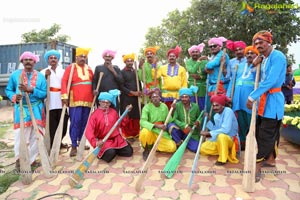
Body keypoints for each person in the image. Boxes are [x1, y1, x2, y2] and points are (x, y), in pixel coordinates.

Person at [247, 30, 286, 182]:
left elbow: (270, 81)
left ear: (269, 42)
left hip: (273, 101)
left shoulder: (278, 56)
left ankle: (257, 167)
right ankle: (270, 160)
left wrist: (252, 97)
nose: (258, 45)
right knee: (267, 132)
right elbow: (255, 72)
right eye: (255, 43)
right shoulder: (265, 57)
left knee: (265, 135)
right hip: (265, 101)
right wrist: (258, 59)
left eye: (261, 42)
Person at [5, 51, 47, 169]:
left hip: (37, 108)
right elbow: (8, 90)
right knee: (20, 135)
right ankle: (20, 159)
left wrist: (31, 89)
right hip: (21, 108)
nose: (28, 61)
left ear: (34, 62)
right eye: (26, 59)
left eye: (30, 59)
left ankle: (32, 159)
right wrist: (14, 97)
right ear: (22, 61)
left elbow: (44, 93)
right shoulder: (15, 75)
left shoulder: (40, 76)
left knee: (37, 135)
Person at [61, 47, 94, 157]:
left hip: (88, 100)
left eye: (85, 57)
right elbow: (64, 81)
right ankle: (74, 145)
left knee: (85, 123)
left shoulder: (89, 69)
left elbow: (93, 83)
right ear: (76, 57)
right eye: (81, 56)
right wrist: (64, 96)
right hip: (75, 100)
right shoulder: (71, 67)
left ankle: (82, 142)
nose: (83, 58)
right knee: (75, 122)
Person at [85, 90, 133, 163]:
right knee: (110, 155)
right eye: (103, 102)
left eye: (107, 102)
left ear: (110, 103)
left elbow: (121, 124)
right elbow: (88, 131)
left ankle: (115, 149)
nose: (105, 104)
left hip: (116, 139)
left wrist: (126, 113)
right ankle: (109, 151)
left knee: (129, 152)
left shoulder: (113, 112)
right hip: (104, 141)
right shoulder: (94, 115)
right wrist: (96, 142)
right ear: (99, 102)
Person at [226, 46, 258, 150]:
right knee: (240, 121)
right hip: (237, 98)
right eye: (247, 53)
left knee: (251, 120)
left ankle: (253, 143)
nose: (249, 55)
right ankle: (242, 142)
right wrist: (228, 96)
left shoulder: (259, 66)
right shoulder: (239, 66)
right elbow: (232, 81)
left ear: (256, 55)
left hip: (250, 98)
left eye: (252, 53)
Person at [40, 50, 69, 149]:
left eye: (55, 58)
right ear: (48, 60)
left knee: (63, 123)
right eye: (51, 58)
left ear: (58, 59)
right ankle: (52, 144)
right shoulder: (43, 71)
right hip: (50, 100)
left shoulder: (63, 71)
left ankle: (59, 141)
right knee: (52, 124)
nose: (53, 59)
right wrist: (45, 76)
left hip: (62, 99)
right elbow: (41, 85)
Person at [200, 93, 239, 165]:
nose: (215, 107)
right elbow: (216, 129)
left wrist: (208, 133)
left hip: (230, 139)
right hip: (220, 140)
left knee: (221, 136)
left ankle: (222, 159)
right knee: (203, 148)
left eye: (217, 105)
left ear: (222, 105)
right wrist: (208, 121)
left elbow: (225, 130)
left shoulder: (228, 111)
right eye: (213, 106)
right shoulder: (216, 116)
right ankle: (224, 151)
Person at [139, 88, 176, 161]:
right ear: (151, 99)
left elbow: (169, 120)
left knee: (172, 147)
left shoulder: (164, 106)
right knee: (144, 131)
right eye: (153, 97)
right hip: (151, 130)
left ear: (160, 97)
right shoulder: (147, 107)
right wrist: (155, 125)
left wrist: (173, 110)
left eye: (157, 96)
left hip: (160, 131)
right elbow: (142, 122)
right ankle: (146, 149)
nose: (155, 99)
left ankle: (154, 146)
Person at [167, 86, 202, 152]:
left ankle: (185, 141)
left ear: (190, 97)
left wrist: (198, 121)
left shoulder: (195, 106)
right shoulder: (177, 105)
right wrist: (185, 126)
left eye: (186, 97)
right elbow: (175, 119)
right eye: (182, 97)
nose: (184, 99)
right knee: (170, 126)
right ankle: (179, 141)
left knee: (195, 149)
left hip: (191, 131)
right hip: (181, 129)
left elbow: (199, 117)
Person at [120, 53, 142, 139]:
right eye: (128, 61)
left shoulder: (135, 71)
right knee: (127, 115)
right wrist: (132, 92)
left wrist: (139, 91)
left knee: (136, 115)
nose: (130, 62)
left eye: (131, 61)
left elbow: (139, 83)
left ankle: (136, 133)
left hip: (136, 98)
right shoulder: (122, 72)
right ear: (125, 62)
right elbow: (121, 86)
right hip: (126, 97)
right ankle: (127, 134)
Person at [205, 37, 230, 112]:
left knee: (218, 108)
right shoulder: (213, 56)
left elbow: (210, 65)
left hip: (220, 85)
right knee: (210, 109)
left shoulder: (222, 54)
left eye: (215, 46)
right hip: (212, 85)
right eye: (211, 46)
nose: (212, 47)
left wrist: (207, 66)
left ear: (220, 46)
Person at [186, 43, 208, 110]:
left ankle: (201, 120)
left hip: (202, 88)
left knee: (202, 106)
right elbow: (192, 71)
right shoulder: (188, 62)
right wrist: (198, 61)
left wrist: (200, 77)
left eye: (196, 52)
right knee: (192, 107)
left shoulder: (205, 62)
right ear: (190, 53)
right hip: (192, 86)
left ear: (199, 52)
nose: (195, 53)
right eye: (193, 52)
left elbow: (207, 75)